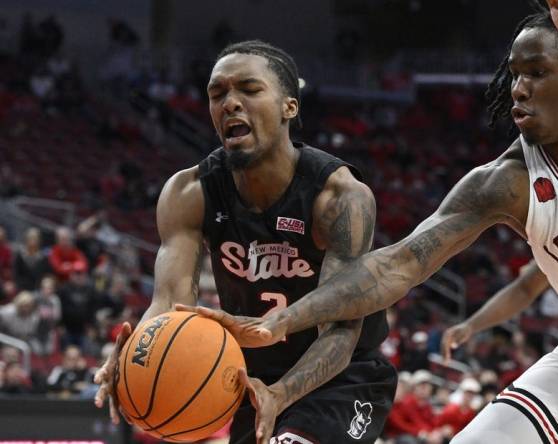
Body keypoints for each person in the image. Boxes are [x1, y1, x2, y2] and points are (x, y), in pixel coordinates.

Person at [181, 0, 558, 441]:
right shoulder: (504, 181)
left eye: (536, 72)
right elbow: (398, 264)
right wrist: (285, 322)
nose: (517, 87)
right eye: (512, 75)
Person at [93, 40, 397, 444]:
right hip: (249, 379)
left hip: (341, 378)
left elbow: (341, 332)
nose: (230, 103)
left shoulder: (339, 197)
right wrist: (136, 360)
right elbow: (167, 304)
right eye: (217, 94)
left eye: (249, 90)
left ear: (290, 106)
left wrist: (282, 394)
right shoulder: (189, 192)